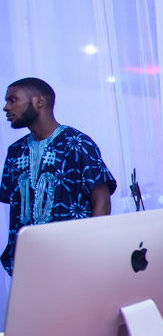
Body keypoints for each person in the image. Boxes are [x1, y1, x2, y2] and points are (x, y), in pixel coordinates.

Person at [0, 77, 116, 275]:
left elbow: (102, 203)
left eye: (13, 100)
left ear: (39, 101)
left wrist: (93, 253)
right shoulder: (15, 151)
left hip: (74, 261)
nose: (6, 107)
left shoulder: (77, 143)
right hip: (28, 264)